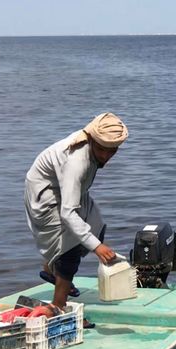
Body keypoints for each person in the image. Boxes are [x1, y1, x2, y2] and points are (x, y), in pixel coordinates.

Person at [24, 113, 127, 323]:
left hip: (68, 192)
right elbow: (68, 213)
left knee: (95, 227)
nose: (106, 156)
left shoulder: (91, 148)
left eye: (112, 151)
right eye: (102, 150)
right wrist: (97, 247)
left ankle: (52, 269)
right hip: (46, 197)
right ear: (91, 139)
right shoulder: (76, 162)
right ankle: (59, 307)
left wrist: (95, 242)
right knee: (71, 246)